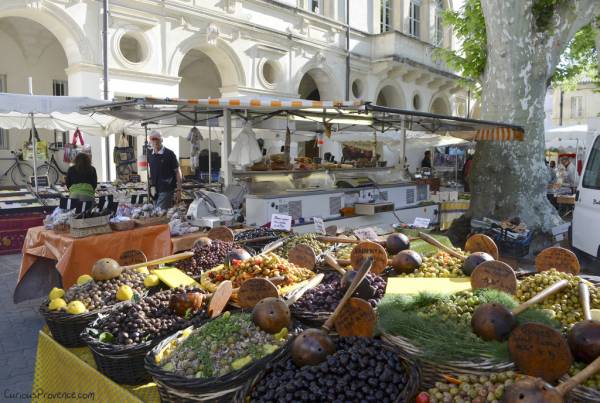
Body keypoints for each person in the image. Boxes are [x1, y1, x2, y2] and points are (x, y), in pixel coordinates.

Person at [148, 130, 182, 210]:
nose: (155, 141)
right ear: (150, 141)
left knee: (159, 212)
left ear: (161, 140)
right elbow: (151, 170)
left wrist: (179, 190)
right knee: (157, 213)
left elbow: (177, 172)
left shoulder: (169, 154)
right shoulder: (150, 154)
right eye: (152, 139)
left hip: (166, 189)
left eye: (157, 139)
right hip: (154, 189)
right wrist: (150, 184)